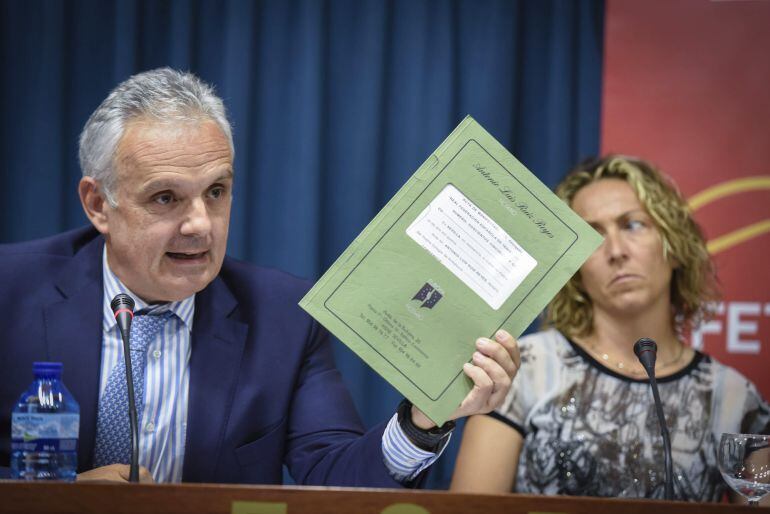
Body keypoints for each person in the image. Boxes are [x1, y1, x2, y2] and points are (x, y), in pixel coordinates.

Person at [0, 68, 519, 485]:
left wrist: (422, 421)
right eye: (166, 198)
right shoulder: (10, 290)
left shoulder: (282, 318)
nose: (200, 224)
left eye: (217, 191)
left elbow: (336, 478)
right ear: (98, 204)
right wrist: (51, 501)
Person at [450, 155, 770, 501]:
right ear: (574, 269)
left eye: (633, 225)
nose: (616, 251)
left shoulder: (734, 396)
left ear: (674, 247)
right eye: (594, 236)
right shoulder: (520, 369)